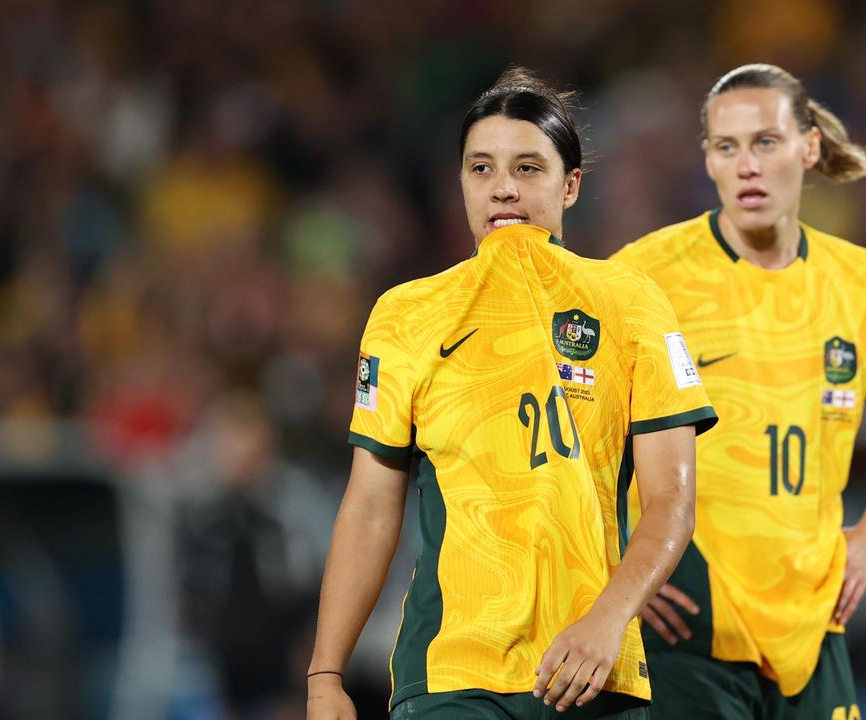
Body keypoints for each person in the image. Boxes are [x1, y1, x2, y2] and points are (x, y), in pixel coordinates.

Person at [307, 67, 718, 720]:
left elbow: (672, 503)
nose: (503, 187)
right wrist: (326, 672)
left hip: (594, 674)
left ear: (571, 184)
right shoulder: (406, 315)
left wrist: (608, 621)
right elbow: (369, 508)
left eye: (529, 168)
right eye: (481, 168)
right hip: (452, 676)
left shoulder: (631, 304)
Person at [610, 63, 866, 720]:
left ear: (808, 148)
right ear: (707, 160)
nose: (747, 165)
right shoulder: (644, 277)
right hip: (687, 630)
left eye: (766, 142)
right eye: (727, 147)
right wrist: (613, 558)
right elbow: (573, 428)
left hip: (814, 626)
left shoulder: (859, 280)